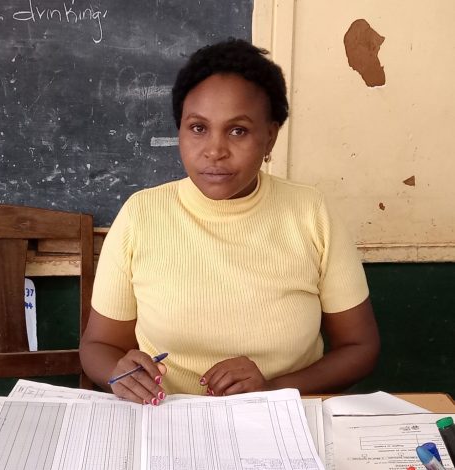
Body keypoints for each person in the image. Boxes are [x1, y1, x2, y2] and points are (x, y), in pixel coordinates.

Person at [79, 38, 380, 405]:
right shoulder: (141, 215)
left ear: (270, 137)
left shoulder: (310, 212)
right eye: (198, 128)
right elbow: (99, 345)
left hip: (279, 421)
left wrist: (272, 389)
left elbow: (359, 346)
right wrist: (120, 374)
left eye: (238, 130)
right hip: (166, 421)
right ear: (180, 131)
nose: (215, 150)